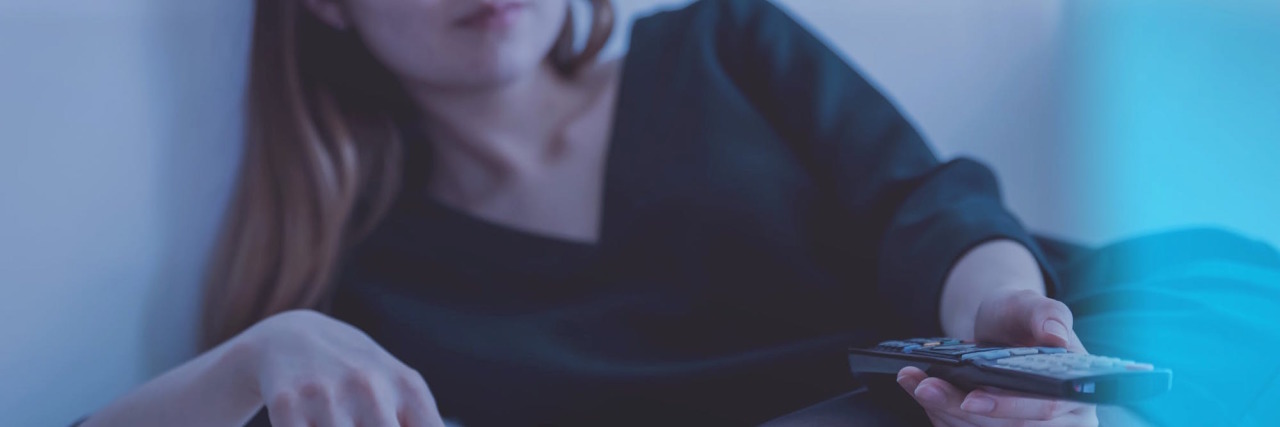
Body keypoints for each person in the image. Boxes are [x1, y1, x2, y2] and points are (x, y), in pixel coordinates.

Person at [76, 0, 1106, 425]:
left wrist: (1008, 316)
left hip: (1049, 336)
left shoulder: (723, 41)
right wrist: (259, 350)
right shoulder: (362, 293)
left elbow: (924, 203)